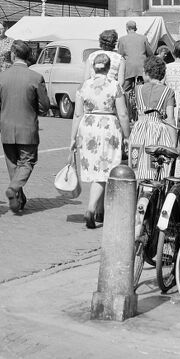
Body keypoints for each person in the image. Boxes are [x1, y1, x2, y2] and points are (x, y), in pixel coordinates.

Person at [71, 48, 131, 229]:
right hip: (108, 127)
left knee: (96, 169)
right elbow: (123, 113)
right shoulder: (114, 85)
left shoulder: (84, 86)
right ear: (108, 67)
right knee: (105, 169)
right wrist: (127, 135)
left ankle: (100, 211)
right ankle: (91, 209)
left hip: (88, 127)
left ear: (93, 67)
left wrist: (72, 137)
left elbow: (77, 114)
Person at [0, 41, 50, 215]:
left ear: (13, 55)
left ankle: (18, 198)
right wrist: (34, 110)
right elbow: (44, 106)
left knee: (12, 164)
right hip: (27, 127)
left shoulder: (1, 77)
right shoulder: (36, 77)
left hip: (7, 127)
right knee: (27, 162)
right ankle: (14, 188)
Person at [127, 55, 178, 181]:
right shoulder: (168, 92)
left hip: (139, 130)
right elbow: (170, 118)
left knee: (136, 166)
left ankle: (138, 189)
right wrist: (173, 143)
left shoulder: (138, 89)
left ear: (147, 73)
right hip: (158, 131)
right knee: (156, 168)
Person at [163, 42, 180, 123]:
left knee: (172, 124)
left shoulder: (166, 67)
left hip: (170, 100)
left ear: (174, 53)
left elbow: (162, 83)